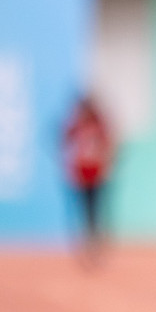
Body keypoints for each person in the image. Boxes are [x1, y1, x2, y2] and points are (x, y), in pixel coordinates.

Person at [62, 94, 116, 266]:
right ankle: (87, 247)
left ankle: (96, 248)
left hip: (96, 176)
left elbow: (109, 146)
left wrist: (107, 166)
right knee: (84, 213)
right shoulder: (77, 126)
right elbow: (65, 140)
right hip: (80, 176)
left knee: (95, 213)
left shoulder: (99, 126)